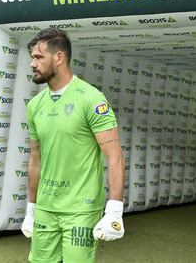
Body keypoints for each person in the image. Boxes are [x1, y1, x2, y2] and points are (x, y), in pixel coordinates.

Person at [21, 28, 126, 263]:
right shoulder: (35, 105)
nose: (32, 63)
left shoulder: (91, 99)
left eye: (38, 57)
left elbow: (115, 157)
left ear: (59, 58)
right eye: (32, 57)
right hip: (46, 208)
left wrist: (114, 210)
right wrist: (32, 208)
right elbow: (35, 159)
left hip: (81, 209)